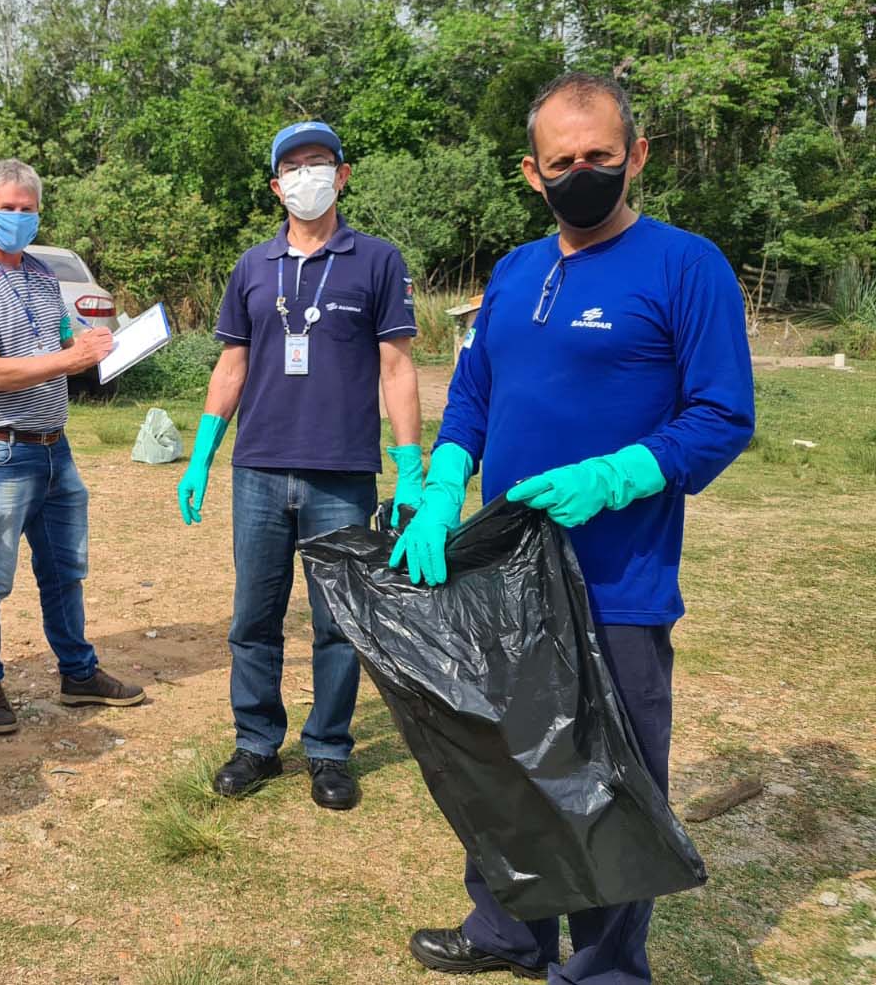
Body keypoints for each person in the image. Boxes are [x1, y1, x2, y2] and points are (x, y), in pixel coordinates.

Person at [390, 73, 754, 984]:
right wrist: (440, 485)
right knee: (504, 760)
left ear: (635, 154)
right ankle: (509, 929)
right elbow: (474, 393)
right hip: (503, 578)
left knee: (608, 783)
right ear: (532, 171)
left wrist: (618, 473)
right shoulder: (515, 272)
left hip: (616, 580)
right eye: (563, 161)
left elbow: (721, 414)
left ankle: (603, 967)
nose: (582, 171)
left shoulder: (686, 265)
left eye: (599, 155)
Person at [176, 121, 422, 810]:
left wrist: (411, 467)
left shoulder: (376, 260)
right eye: (294, 166)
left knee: (336, 621)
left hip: (341, 473)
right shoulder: (253, 267)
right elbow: (232, 364)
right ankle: (257, 741)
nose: (307, 175)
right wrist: (201, 454)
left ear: (342, 175)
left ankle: (328, 748)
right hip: (257, 469)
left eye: (321, 162)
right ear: (275, 185)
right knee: (253, 616)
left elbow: (398, 368)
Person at [0, 157, 144, 735]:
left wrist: (95, 342)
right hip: (0, 452)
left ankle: (78, 673)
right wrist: (70, 358)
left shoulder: (38, 273)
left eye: (27, 210)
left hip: (56, 447)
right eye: (7, 209)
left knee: (64, 570)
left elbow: (59, 338)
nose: (17, 218)